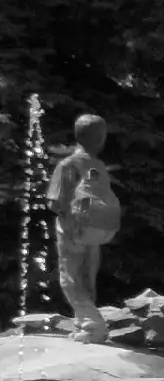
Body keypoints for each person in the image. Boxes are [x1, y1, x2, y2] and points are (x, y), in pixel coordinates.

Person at [46, 113, 120, 343]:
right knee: (87, 278)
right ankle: (84, 326)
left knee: (70, 278)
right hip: (94, 230)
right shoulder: (96, 165)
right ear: (101, 139)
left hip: (72, 230)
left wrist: (69, 223)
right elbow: (92, 194)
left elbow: (55, 202)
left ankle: (93, 324)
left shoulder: (68, 164)